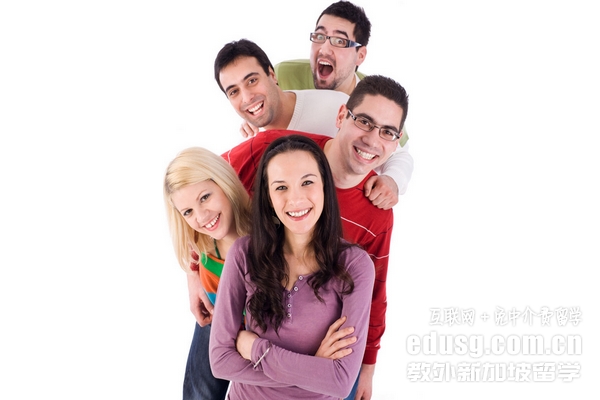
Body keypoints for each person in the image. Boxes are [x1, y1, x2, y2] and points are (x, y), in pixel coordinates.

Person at [221, 75, 408, 400]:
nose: (372, 139)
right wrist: (194, 269)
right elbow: (203, 188)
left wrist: (366, 368)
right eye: (364, 122)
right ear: (341, 116)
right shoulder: (279, 150)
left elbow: (375, 294)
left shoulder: (377, 213)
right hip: (246, 296)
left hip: (320, 344)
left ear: (395, 143)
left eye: (387, 132)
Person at [209, 135, 375, 399]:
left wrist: (257, 350)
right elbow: (220, 362)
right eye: (281, 187)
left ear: (325, 186)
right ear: (268, 197)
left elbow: (341, 381)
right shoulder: (244, 253)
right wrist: (313, 369)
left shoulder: (354, 265)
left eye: (307, 182)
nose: (295, 199)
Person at [215, 38, 411, 209]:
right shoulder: (250, 142)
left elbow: (399, 153)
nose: (247, 97)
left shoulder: (332, 106)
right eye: (234, 91)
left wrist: (393, 180)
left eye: (252, 81)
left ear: (272, 75)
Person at [163, 147, 252, 400]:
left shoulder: (268, 232)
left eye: (205, 197)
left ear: (223, 181)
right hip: (222, 322)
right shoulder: (202, 244)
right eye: (188, 212)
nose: (202, 217)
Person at [275, 0, 371, 97]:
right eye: (320, 36)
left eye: (339, 41)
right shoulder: (282, 77)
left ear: (360, 56)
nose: (324, 50)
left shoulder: (374, 97)